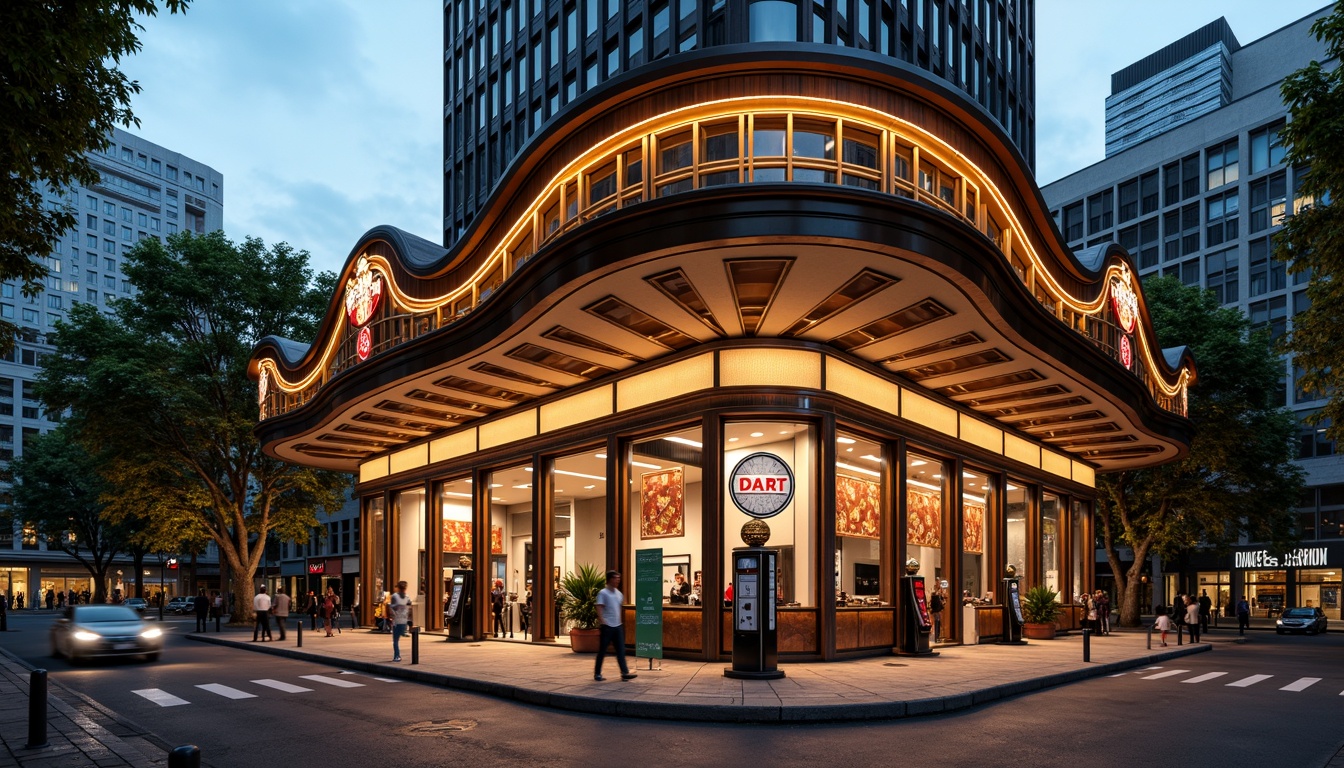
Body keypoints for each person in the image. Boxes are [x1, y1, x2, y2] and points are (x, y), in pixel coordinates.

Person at [594, 570, 636, 682]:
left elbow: (619, 608)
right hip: (607, 626)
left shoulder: (619, 593)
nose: (618, 580)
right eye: (615, 578)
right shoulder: (603, 593)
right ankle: (597, 673)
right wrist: (602, 621)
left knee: (621, 650)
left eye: (619, 578)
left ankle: (624, 673)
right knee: (602, 650)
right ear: (609, 579)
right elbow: (599, 607)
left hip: (618, 626)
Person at [388, 580, 412, 662]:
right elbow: (409, 607)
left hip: (399, 620)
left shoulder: (395, 596)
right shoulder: (406, 597)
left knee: (395, 640)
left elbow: (392, 608)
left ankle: (397, 656)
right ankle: (397, 655)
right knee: (396, 639)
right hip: (401, 620)